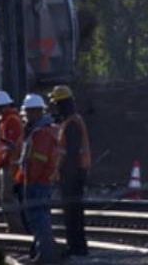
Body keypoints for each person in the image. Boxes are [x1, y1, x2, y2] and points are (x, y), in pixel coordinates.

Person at [17, 94, 60, 264]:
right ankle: (44, 252)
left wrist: (30, 180)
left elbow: (38, 160)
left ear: (35, 112)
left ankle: (46, 255)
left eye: (27, 113)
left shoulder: (41, 133)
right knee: (42, 217)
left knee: (39, 219)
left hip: (37, 182)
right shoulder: (48, 129)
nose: (26, 117)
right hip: (44, 180)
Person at [50, 85, 90, 257]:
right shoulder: (71, 121)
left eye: (57, 104)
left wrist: (63, 173)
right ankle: (78, 246)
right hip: (74, 173)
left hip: (72, 175)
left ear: (62, 104)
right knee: (74, 212)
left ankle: (76, 247)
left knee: (72, 213)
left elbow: (70, 152)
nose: (55, 108)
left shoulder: (71, 123)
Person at [0, 90, 25, 234]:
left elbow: (10, 146)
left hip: (9, 165)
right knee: (7, 198)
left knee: (7, 198)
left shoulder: (11, 120)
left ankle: (16, 228)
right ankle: (14, 226)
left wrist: (2, 162)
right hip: (8, 164)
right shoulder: (7, 120)